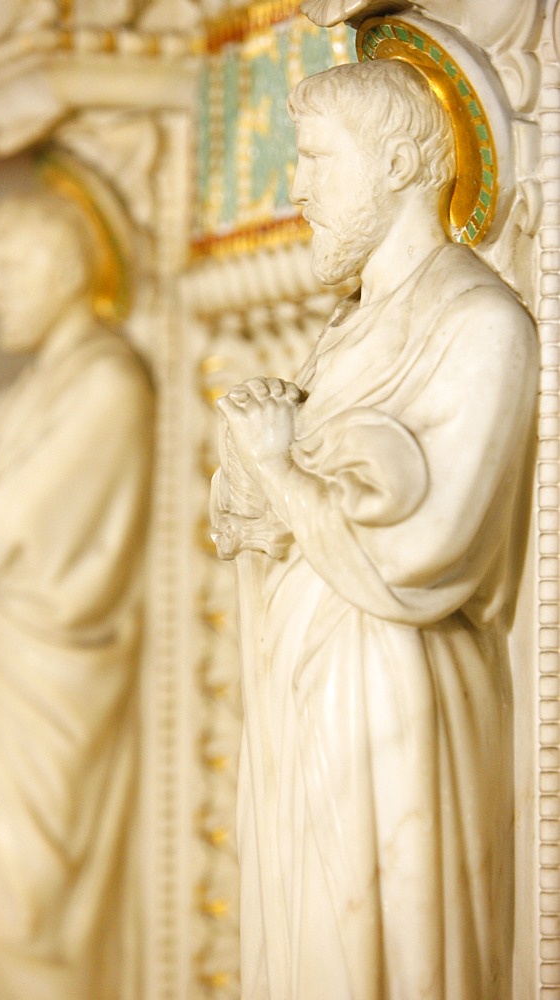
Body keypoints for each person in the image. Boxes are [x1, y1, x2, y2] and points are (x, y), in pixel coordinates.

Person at [211, 59, 538, 1000]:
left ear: (400, 162)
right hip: (308, 690)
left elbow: (424, 546)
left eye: (316, 158)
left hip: (396, 704)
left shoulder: (482, 325)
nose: (298, 187)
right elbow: (271, 518)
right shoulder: (346, 332)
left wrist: (278, 465)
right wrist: (249, 474)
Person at [0, 189, 153, 1000]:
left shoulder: (108, 385)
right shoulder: (46, 385)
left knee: (32, 924)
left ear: (62, 273)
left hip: (57, 689)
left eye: (8, 270)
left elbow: (0, 528)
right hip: (10, 679)